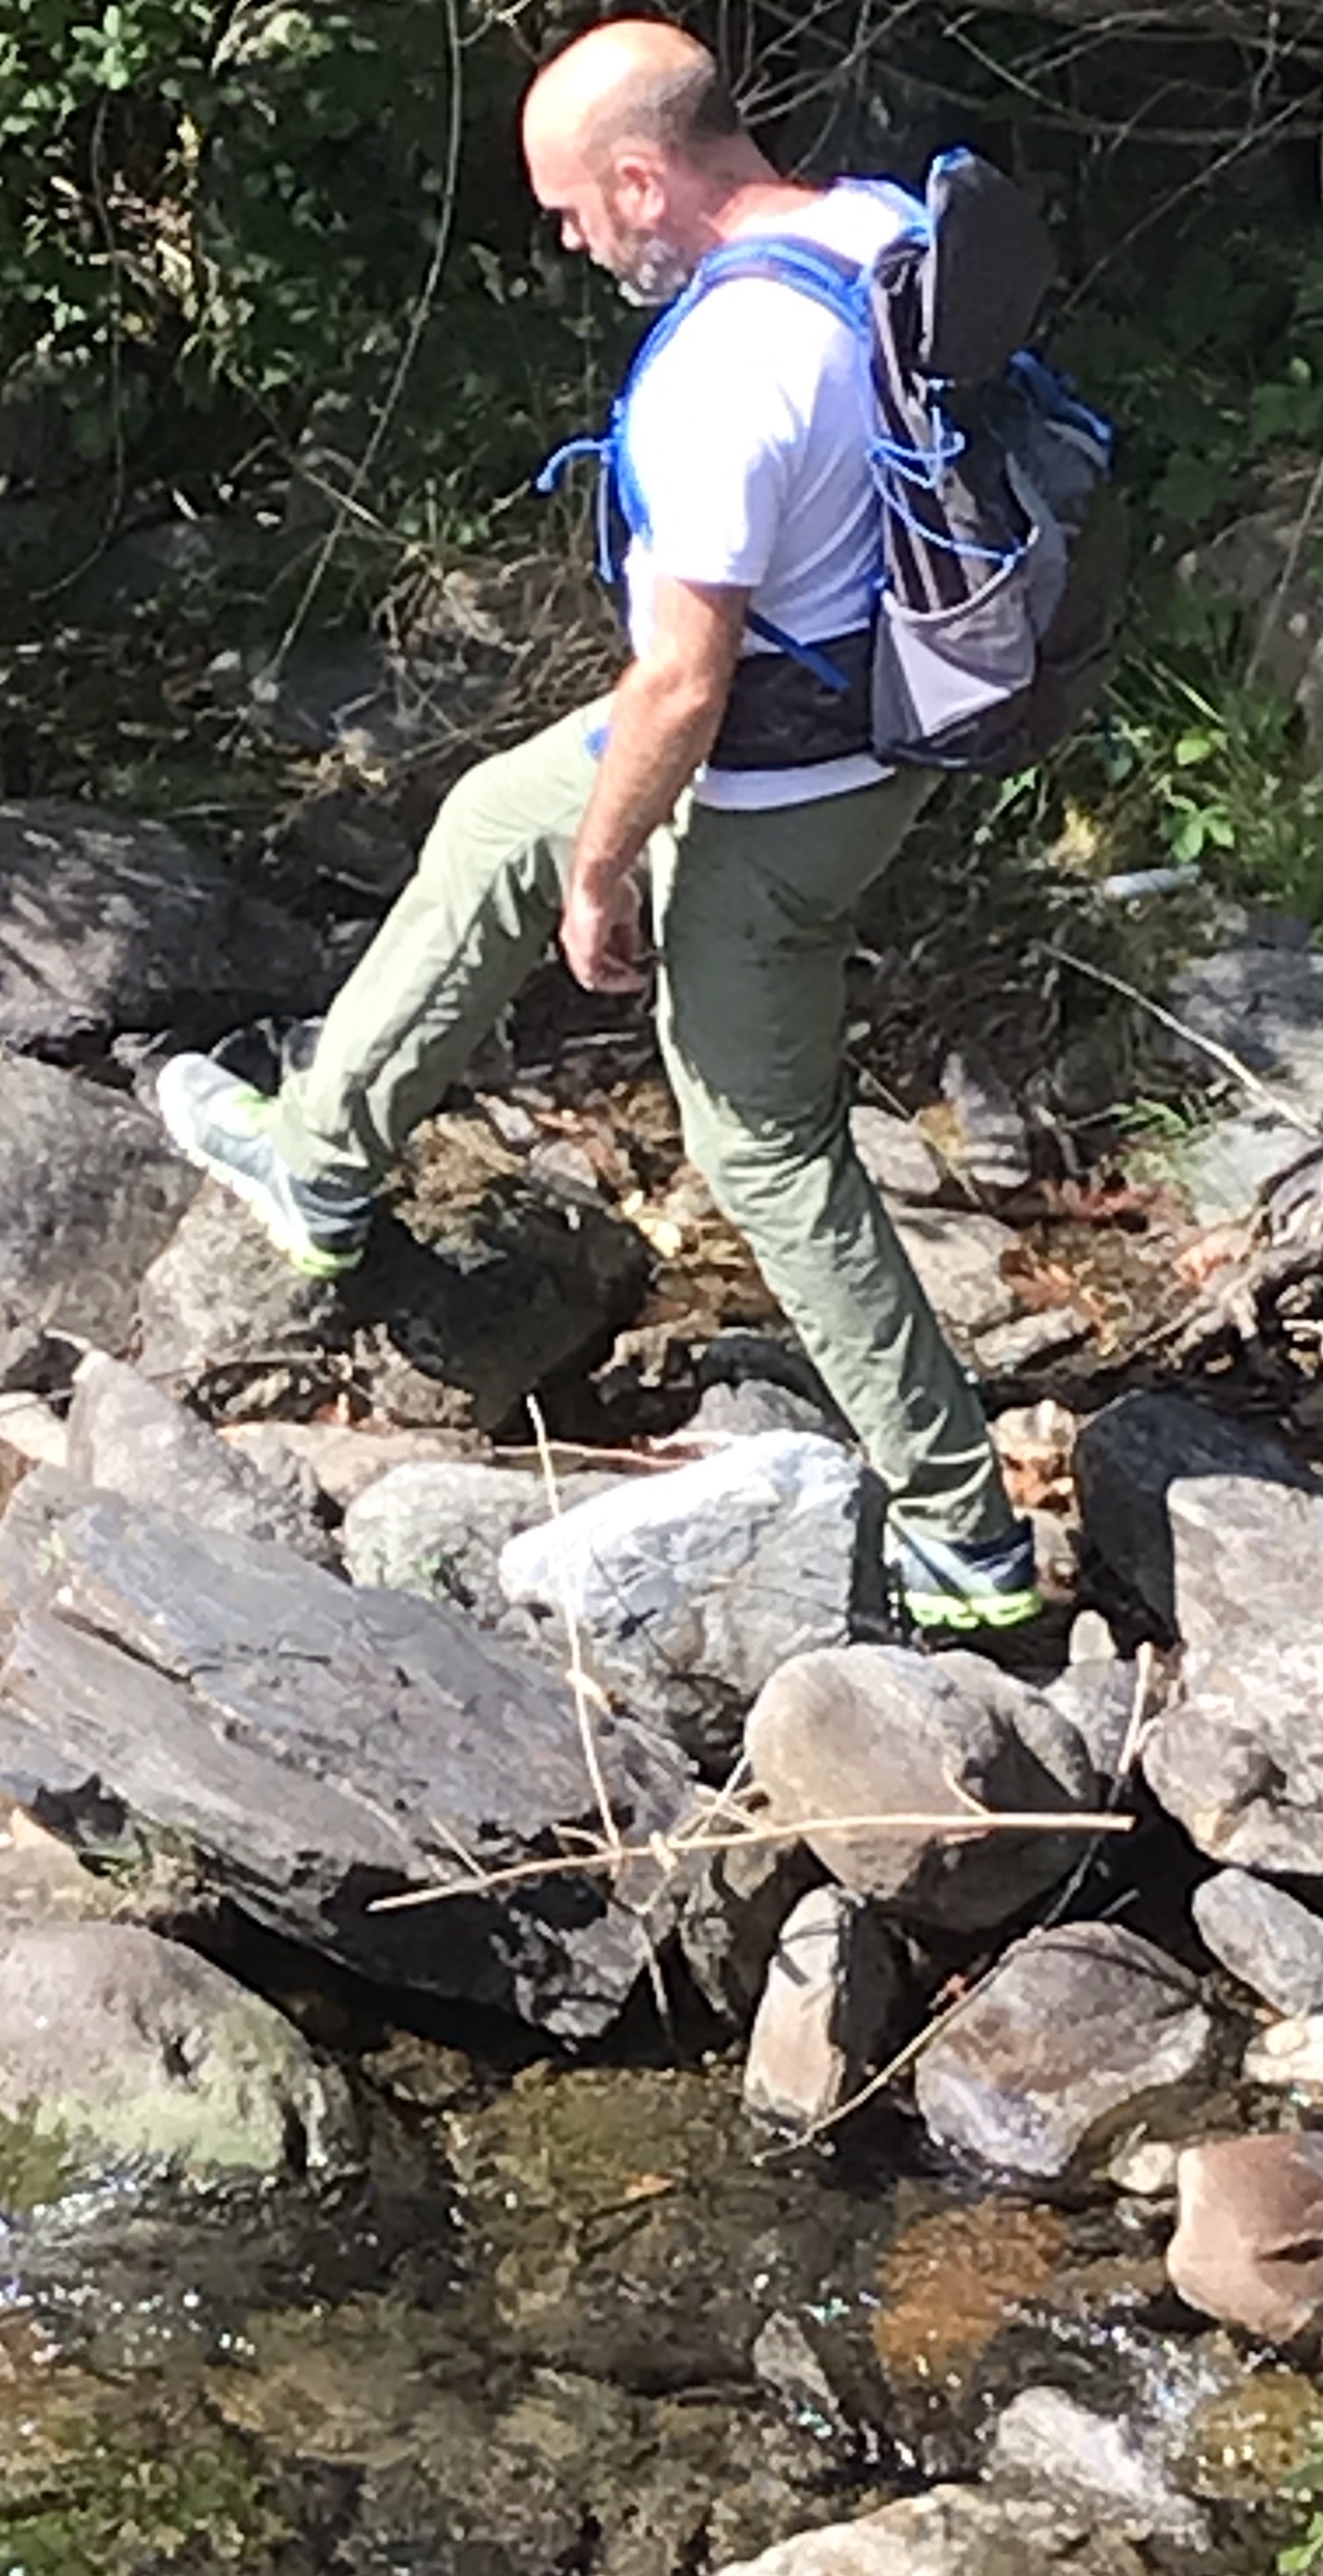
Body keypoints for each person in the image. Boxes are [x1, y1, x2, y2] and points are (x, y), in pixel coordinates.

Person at [153, 15, 1039, 1634]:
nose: (569, 241)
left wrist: (608, 867)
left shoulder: (721, 379)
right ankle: (321, 1162)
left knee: (761, 1142)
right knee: (503, 804)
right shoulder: (877, 228)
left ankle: (959, 1524)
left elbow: (682, 684)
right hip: (889, 714)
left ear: (646, 177)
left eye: (573, 209)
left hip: (788, 782)